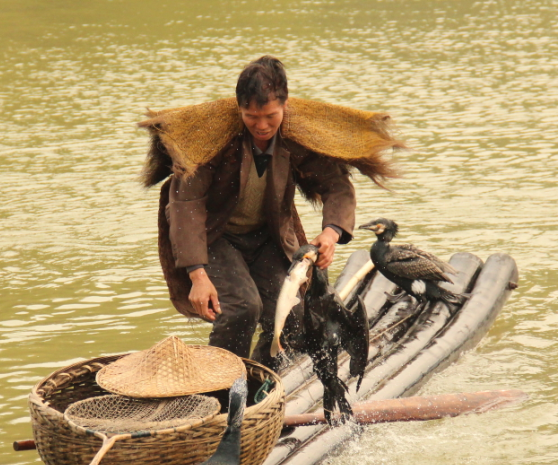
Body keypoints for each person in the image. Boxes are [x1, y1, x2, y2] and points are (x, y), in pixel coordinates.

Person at [141, 56, 400, 368]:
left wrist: (331, 233)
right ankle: (223, 388)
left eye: (270, 116)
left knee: (293, 314)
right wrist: (198, 275)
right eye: (251, 116)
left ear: (285, 106)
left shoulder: (294, 137)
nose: (261, 125)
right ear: (239, 110)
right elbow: (185, 206)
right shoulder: (211, 141)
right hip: (216, 238)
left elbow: (336, 186)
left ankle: (261, 379)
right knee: (241, 309)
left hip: (268, 237)